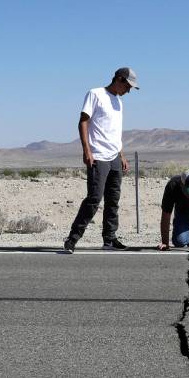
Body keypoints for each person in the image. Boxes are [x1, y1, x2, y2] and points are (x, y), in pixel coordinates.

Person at [62, 67, 138, 253]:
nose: (128, 91)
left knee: (113, 200)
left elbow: (114, 131)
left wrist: (121, 155)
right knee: (94, 199)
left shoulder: (119, 102)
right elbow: (83, 121)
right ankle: (72, 238)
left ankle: (109, 239)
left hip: (114, 157)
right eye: (127, 86)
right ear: (119, 79)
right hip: (98, 156)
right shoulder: (95, 94)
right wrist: (86, 150)